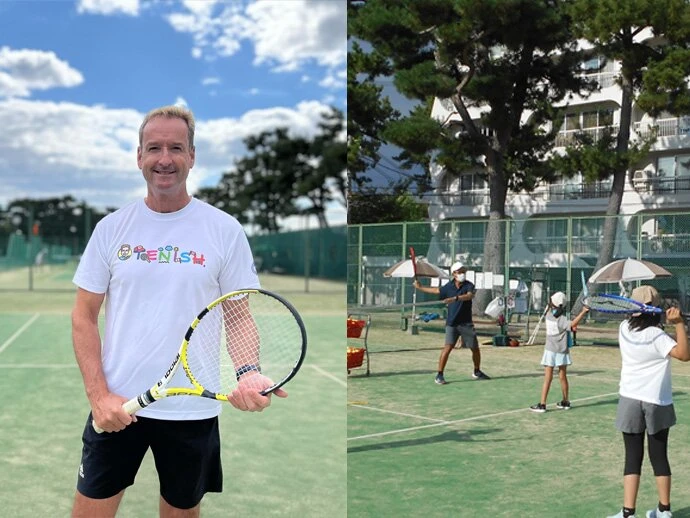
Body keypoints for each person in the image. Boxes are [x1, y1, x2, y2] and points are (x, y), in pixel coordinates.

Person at [70, 105, 287, 518]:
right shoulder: (112, 228)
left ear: (192, 155)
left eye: (176, 147)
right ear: (139, 157)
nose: (164, 158)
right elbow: (84, 315)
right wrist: (99, 396)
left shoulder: (224, 229)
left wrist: (247, 373)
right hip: (119, 407)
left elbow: (238, 315)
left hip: (193, 410)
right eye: (154, 148)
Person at [607, 286, 689, 518]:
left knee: (632, 457)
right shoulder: (657, 336)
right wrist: (679, 324)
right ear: (653, 308)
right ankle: (664, 511)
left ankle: (627, 513)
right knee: (659, 456)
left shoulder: (623, 328)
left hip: (630, 399)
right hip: (657, 402)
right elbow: (684, 354)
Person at [413, 261, 490, 384]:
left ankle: (477, 371)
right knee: (447, 348)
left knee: (475, 348)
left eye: (464, 271)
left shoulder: (469, 285)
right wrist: (420, 287)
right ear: (454, 273)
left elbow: (469, 296)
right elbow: (436, 291)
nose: (463, 274)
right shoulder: (448, 287)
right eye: (460, 272)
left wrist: (455, 298)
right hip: (452, 324)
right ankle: (439, 375)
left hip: (466, 323)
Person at [529, 291, 589, 413]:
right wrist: (583, 312)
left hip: (550, 350)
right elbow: (571, 324)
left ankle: (542, 404)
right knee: (563, 376)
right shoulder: (561, 319)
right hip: (561, 351)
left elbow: (569, 324)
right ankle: (565, 401)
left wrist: (573, 323)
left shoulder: (549, 315)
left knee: (548, 378)